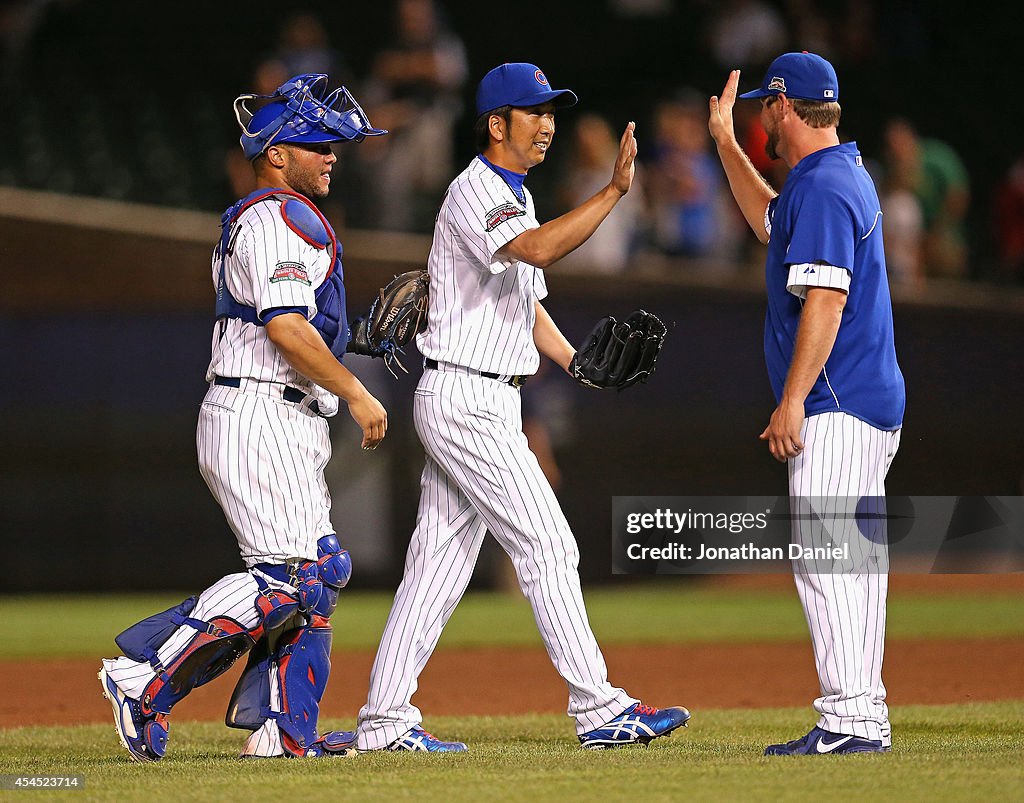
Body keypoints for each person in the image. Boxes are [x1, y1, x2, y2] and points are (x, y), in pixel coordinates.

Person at [352, 62, 690, 752]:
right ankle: (600, 709)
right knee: (547, 542)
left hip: (482, 396)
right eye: (534, 111)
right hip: (468, 396)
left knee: (435, 568)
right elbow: (536, 250)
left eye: (552, 112)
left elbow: (526, 300)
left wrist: (577, 363)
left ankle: (384, 719)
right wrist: (617, 191)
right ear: (497, 123)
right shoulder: (478, 189)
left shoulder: (516, 195)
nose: (548, 124)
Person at [98, 73, 389, 762]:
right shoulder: (281, 216)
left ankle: (285, 735)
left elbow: (295, 324)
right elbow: (286, 328)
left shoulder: (273, 219)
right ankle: (142, 679)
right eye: (317, 143)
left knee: (317, 575)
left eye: (334, 145)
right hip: (258, 410)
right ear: (276, 153)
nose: (331, 155)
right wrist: (356, 387)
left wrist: (345, 342)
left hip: (278, 412)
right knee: (285, 581)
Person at [708, 52, 905, 755]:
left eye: (767, 106)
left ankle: (851, 717)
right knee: (849, 561)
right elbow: (769, 221)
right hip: (863, 396)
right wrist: (728, 146)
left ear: (785, 108)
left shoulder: (822, 187)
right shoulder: (828, 176)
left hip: (838, 400)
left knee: (830, 562)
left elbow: (825, 298)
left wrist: (792, 400)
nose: (764, 115)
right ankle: (862, 712)